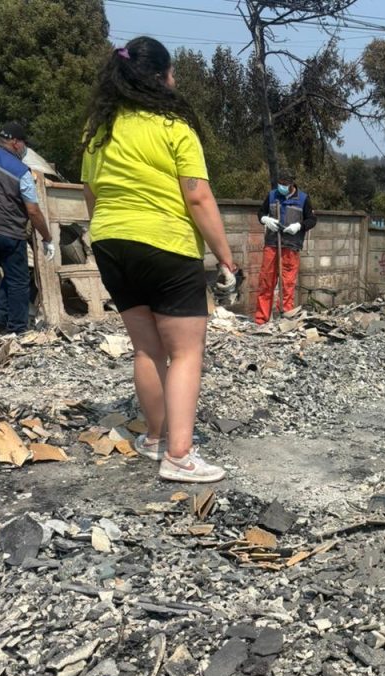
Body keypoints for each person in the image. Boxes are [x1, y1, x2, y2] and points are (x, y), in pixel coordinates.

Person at [81, 36, 237, 484]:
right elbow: (198, 197)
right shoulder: (173, 127)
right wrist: (226, 259)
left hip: (111, 242)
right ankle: (180, 455)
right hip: (166, 243)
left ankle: (155, 438)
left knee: (147, 349)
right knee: (186, 352)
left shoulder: (98, 130)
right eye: (172, 73)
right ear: (160, 77)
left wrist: (113, 233)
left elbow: (91, 195)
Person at [0, 122, 54, 335]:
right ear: (15, 142)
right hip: (9, 232)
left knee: (13, 274)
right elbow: (33, 211)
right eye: (24, 144)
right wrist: (47, 238)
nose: (24, 149)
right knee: (20, 280)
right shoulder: (21, 172)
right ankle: (18, 328)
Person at [255, 169, 316, 324]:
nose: (281, 186)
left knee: (287, 285)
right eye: (280, 183)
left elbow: (312, 220)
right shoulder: (272, 196)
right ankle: (261, 320)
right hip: (272, 244)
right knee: (266, 282)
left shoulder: (303, 199)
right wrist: (265, 219)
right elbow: (260, 212)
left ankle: (285, 319)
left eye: (285, 184)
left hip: (291, 247)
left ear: (292, 183)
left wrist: (299, 226)